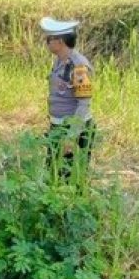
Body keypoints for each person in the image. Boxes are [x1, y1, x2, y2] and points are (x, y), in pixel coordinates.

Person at [41, 17, 95, 179]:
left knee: (70, 178)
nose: (47, 42)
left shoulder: (78, 66)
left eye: (49, 39)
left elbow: (84, 103)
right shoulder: (60, 61)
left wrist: (72, 136)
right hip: (59, 126)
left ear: (60, 41)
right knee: (53, 174)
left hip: (72, 128)